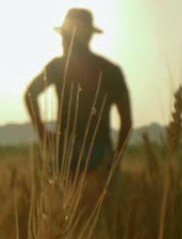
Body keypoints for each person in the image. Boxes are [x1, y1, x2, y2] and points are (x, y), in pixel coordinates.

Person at [25, 8, 132, 180]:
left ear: (82, 37)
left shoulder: (58, 67)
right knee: (103, 206)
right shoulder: (112, 71)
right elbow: (126, 122)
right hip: (100, 154)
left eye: (66, 36)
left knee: (61, 204)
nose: (63, 41)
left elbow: (29, 94)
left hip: (66, 157)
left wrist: (42, 134)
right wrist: (114, 162)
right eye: (63, 36)